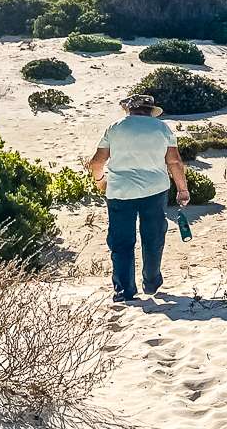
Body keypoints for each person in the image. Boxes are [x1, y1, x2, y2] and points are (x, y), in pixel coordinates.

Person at [86, 94, 189, 302]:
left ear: (128, 110)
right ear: (150, 110)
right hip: (155, 190)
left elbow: (97, 162)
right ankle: (151, 283)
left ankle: (124, 291)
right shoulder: (162, 128)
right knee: (153, 237)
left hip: (120, 192)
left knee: (121, 241)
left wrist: (99, 181)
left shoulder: (115, 128)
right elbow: (175, 162)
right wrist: (182, 190)